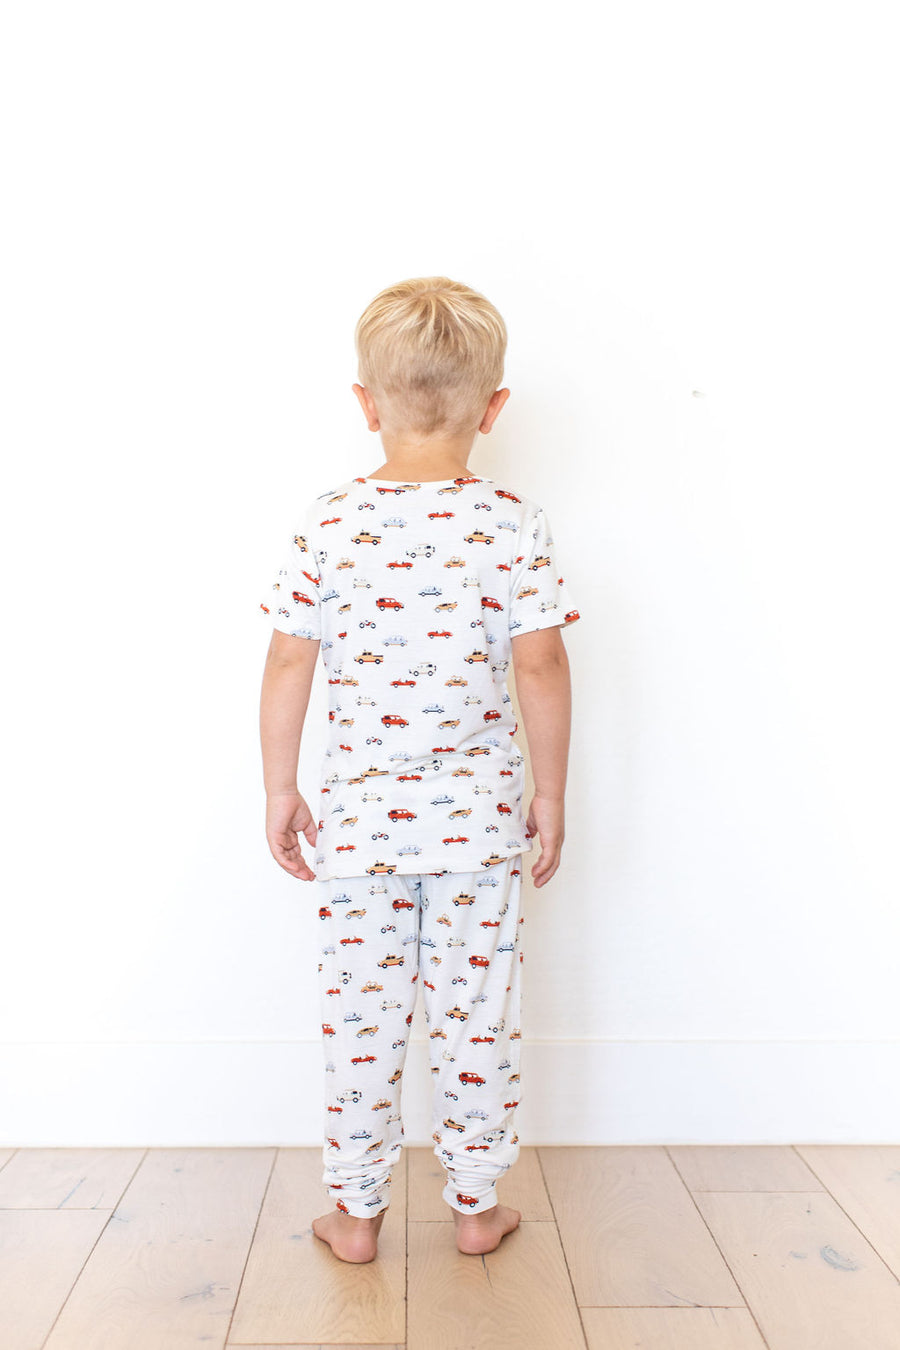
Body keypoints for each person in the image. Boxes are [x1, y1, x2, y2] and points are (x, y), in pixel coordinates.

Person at [258, 276, 580, 1263]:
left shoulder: (328, 522)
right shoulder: (514, 524)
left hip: (360, 831)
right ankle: (476, 1208)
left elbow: (287, 662)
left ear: (366, 404)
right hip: (478, 829)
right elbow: (541, 664)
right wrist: (551, 793)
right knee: (477, 1015)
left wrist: (280, 788)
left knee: (363, 1019)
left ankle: (356, 1214)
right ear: (494, 407)